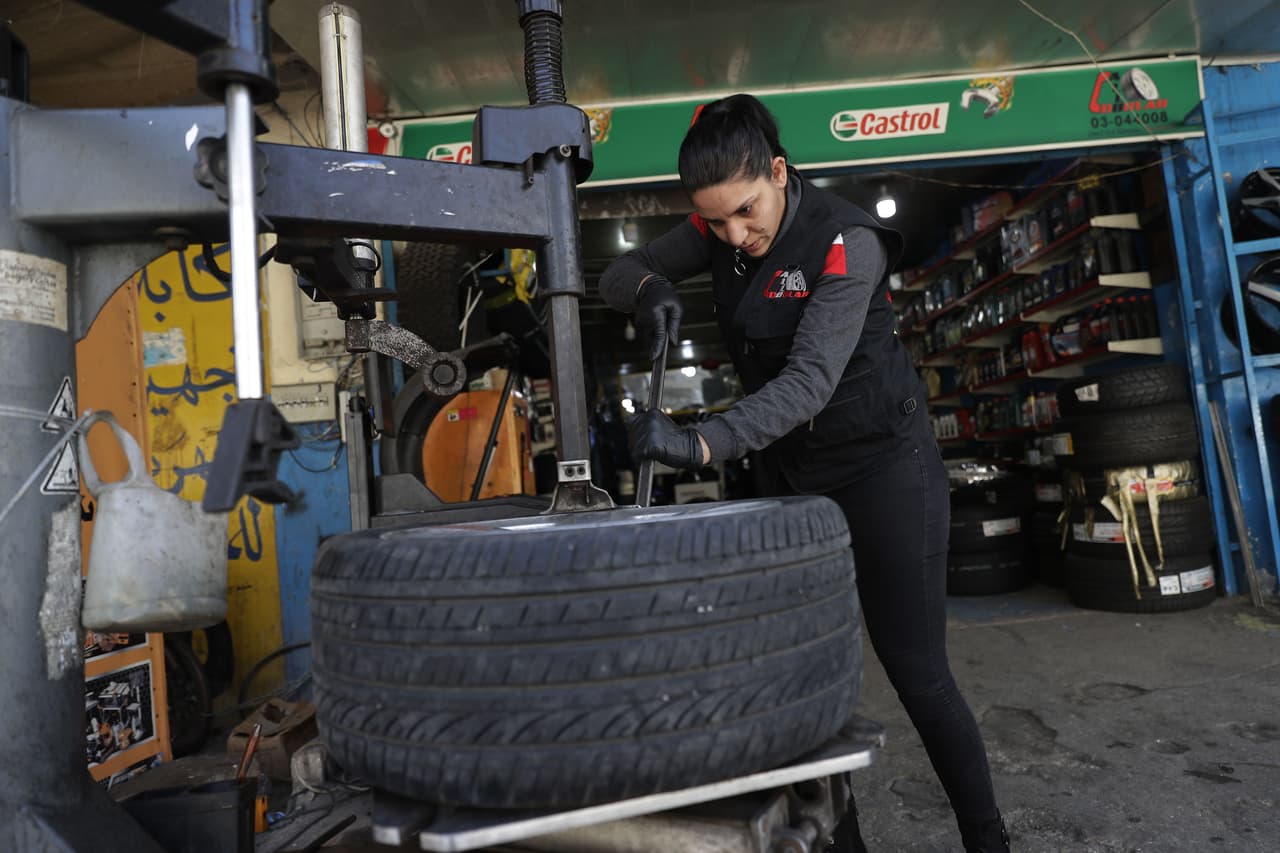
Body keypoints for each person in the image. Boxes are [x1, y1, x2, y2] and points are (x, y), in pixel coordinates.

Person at [598, 94, 1010, 852]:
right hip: (794, 476)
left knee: (918, 674)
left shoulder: (847, 243)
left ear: (779, 173)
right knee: (808, 683)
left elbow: (807, 384)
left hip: (885, 467)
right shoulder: (718, 229)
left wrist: (698, 445)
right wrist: (652, 289)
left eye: (746, 212)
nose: (734, 235)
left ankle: (989, 839)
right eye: (716, 222)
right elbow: (619, 270)